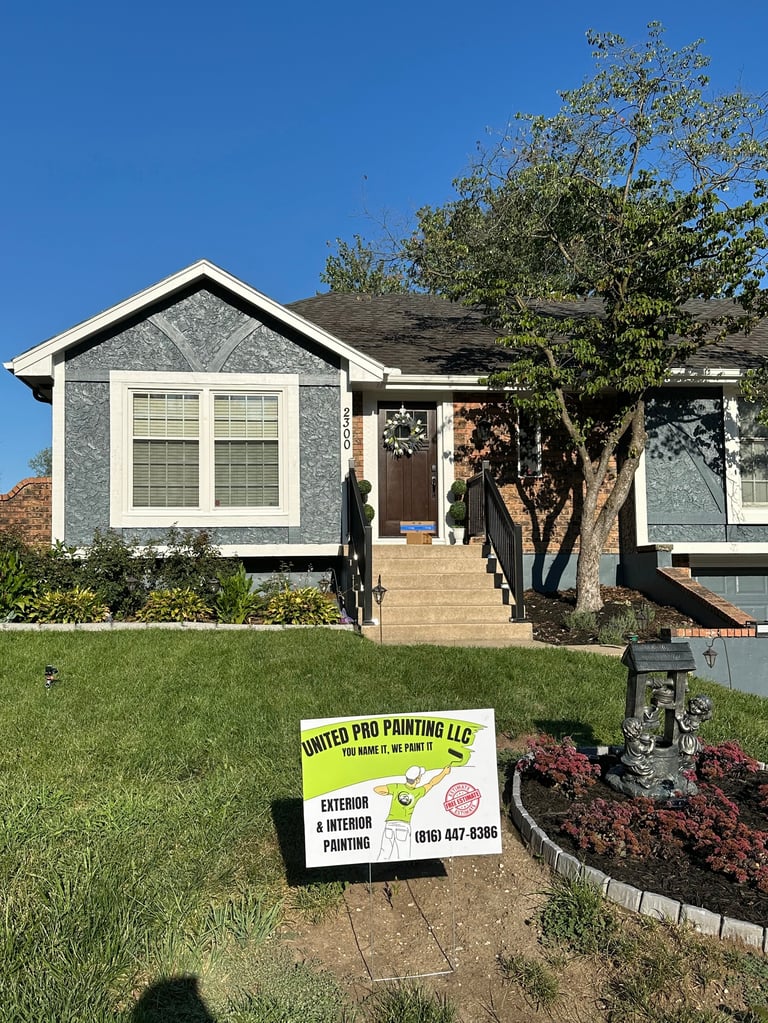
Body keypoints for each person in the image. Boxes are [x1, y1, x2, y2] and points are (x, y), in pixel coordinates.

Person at [374, 764, 451, 860]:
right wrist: (444, 773)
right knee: (404, 857)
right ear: (417, 780)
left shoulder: (397, 787)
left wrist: (388, 793)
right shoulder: (417, 792)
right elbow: (432, 783)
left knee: (384, 854)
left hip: (390, 824)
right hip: (403, 826)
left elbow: (377, 789)